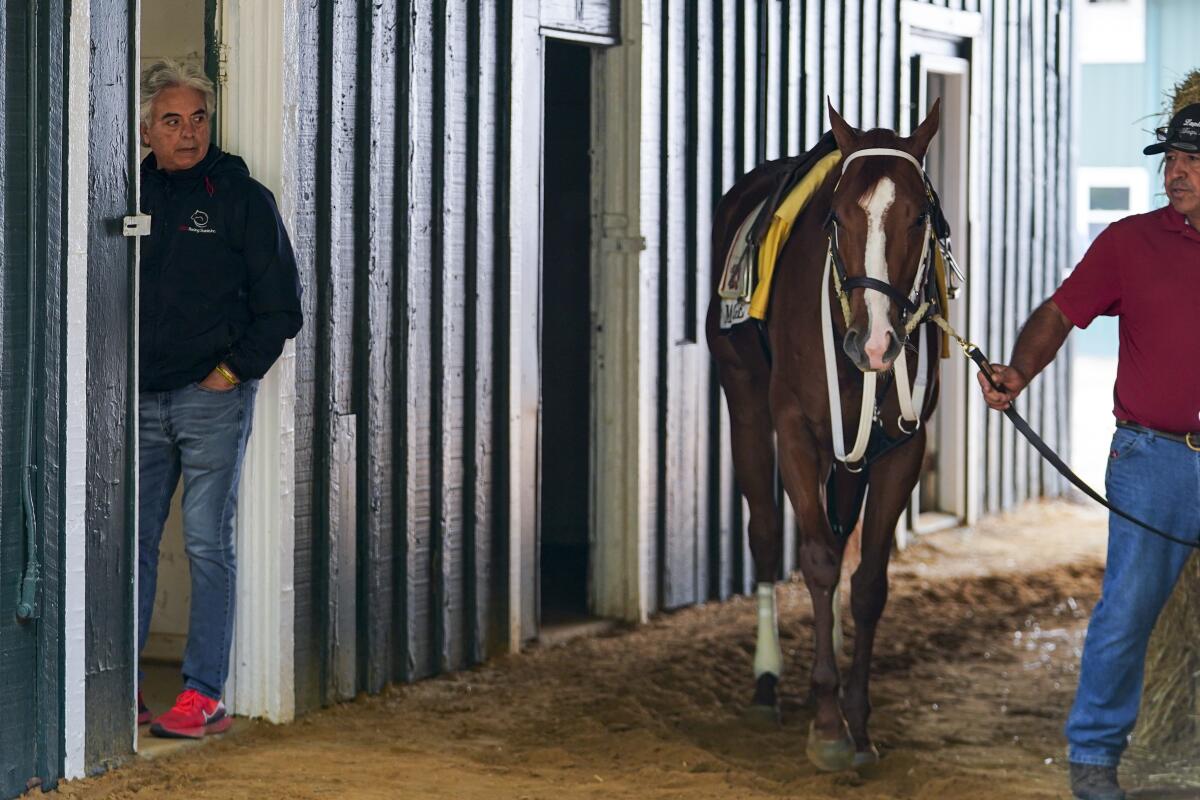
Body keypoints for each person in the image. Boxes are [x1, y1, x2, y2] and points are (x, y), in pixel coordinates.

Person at [977, 103, 1200, 800]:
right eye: (1170, 160)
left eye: (1191, 161)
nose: (1174, 173)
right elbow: (1059, 311)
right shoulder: (1130, 243)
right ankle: (1093, 758)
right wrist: (1018, 370)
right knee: (1128, 606)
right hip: (1152, 459)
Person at [135, 59, 303, 739]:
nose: (188, 132)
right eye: (172, 120)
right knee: (132, 544)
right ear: (147, 130)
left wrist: (229, 375)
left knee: (207, 543)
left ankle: (203, 692)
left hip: (210, 399)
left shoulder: (240, 197)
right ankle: (123, 688)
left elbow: (281, 310)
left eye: (197, 118)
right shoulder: (124, 194)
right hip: (138, 401)